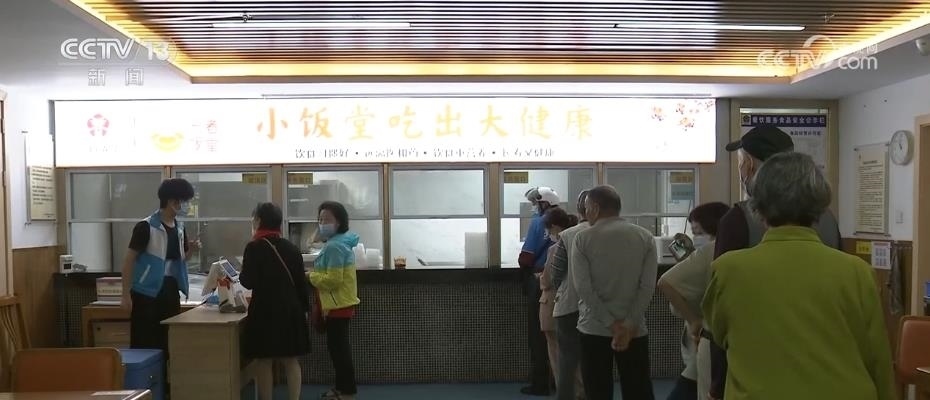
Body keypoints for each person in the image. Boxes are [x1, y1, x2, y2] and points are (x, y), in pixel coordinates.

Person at [702, 152, 895, 400]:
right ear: (820, 205)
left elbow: (719, 335)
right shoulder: (857, 272)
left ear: (758, 207)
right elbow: (877, 359)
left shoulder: (728, 270)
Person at [707, 125, 842, 400]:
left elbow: (722, 315)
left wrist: (717, 386)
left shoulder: (737, 220)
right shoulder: (829, 220)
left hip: (758, 376)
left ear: (749, 165)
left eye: (741, 163)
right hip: (826, 372)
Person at [571, 185, 657, 400]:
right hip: (634, 331)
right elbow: (647, 286)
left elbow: (584, 288)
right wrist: (627, 324)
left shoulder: (582, 238)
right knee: (638, 390)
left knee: (597, 391)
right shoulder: (644, 236)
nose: (585, 213)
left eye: (586, 208)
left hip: (594, 328)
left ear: (595, 208)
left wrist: (611, 324)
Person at [656, 202, 730, 400]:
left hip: (706, 338)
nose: (695, 237)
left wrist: (692, 320)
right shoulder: (724, 250)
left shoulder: (708, 252)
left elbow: (665, 283)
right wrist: (686, 260)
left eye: (698, 232)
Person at [239, 203, 311, 400]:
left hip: (264, 311)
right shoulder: (292, 248)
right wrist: (304, 310)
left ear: (259, 221)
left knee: (264, 360)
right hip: (291, 310)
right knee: (291, 361)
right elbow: (301, 283)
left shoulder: (253, 247)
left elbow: (247, 281)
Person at [120, 178, 196, 351]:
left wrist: (191, 250)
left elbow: (181, 259)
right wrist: (125, 294)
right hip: (146, 292)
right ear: (172, 201)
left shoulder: (179, 228)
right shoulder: (146, 227)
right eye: (183, 201)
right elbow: (128, 260)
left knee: (168, 340)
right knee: (145, 340)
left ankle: (165, 369)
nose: (185, 205)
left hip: (170, 289)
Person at [310, 201, 361, 400]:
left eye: (327, 219)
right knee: (337, 349)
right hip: (340, 303)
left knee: (339, 350)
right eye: (320, 219)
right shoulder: (340, 242)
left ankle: (347, 391)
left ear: (339, 222)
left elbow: (333, 280)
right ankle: (342, 388)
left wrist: (311, 276)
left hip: (338, 304)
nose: (322, 223)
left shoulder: (335, 246)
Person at [518, 186, 561, 396]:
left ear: (544, 203)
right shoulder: (564, 222)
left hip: (539, 281)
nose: (534, 206)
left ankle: (540, 382)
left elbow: (526, 256)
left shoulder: (538, 222)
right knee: (557, 337)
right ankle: (558, 380)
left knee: (538, 333)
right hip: (561, 284)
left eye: (536, 203)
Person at [549, 190, 590, 400]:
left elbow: (556, 274)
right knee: (596, 360)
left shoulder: (568, 235)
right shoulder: (624, 234)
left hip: (569, 305)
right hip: (603, 309)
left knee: (567, 360)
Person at [539, 207, 579, 396]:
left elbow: (549, 279)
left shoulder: (556, 248)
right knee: (576, 353)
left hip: (553, 304)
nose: (548, 233)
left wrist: (540, 278)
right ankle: (581, 391)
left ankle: (567, 392)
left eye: (548, 229)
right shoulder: (579, 242)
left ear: (554, 227)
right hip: (576, 305)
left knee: (557, 354)